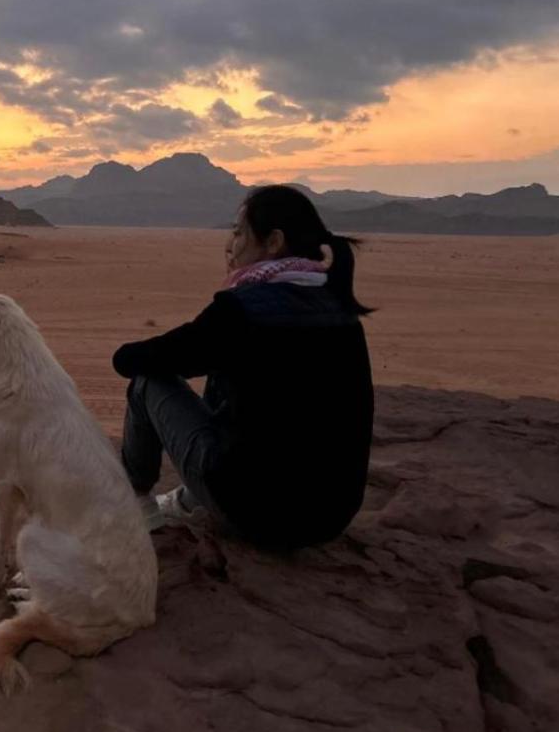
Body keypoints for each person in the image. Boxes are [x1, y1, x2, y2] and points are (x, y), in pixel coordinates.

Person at [113, 185, 374, 550]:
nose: (230, 245)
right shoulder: (339, 308)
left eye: (238, 232)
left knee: (147, 383)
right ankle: (190, 500)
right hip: (329, 520)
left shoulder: (242, 310)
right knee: (238, 381)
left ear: (273, 243)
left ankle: (133, 505)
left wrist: (124, 352)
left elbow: (142, 360)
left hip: (256, 515)